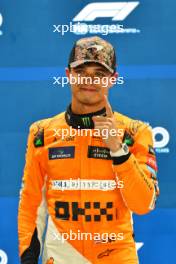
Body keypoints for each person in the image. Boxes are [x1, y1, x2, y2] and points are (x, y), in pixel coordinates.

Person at [18, 36, 159, 264]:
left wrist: (118, 150)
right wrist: (28, 256)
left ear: (113, 79)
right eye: (81, 71)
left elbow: (143, 204)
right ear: (68, 75)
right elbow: (31, 205)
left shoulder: (134, 132)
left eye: (99, 74)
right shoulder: (41, 133)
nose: (89, 80)